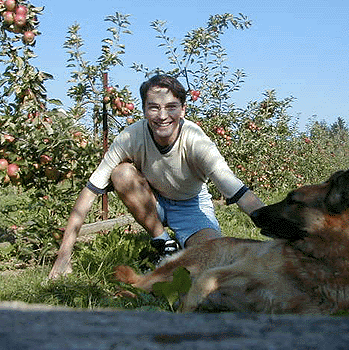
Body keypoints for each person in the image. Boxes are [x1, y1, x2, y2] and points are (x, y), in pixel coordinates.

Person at [48, 74, 265, 279]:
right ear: (143, 110)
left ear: (183, 110)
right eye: (154, 107)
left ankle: (179, 252)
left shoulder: (196, 141)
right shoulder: (130, 137)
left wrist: (279, 229)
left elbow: (238, 192)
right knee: (121, 173)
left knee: (212, 259)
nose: (162, 116)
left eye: (171, 107)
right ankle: (163, 242)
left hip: (191, 205)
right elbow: (90, 192)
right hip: (153, 200)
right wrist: (64, 254)